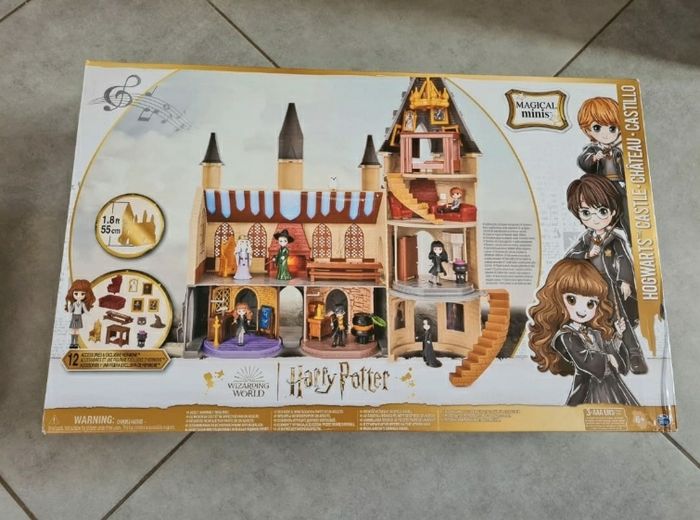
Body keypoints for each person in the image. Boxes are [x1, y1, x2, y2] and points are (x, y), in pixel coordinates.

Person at [565, 174, 647, 374]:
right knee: (596, 321)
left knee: (620, 319)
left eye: (601, 211)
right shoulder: (586, 239)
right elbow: (569, 257)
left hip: (610, 286)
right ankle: (605, 355)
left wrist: (625, 281)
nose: (594, 219)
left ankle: (634, 354)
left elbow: (624, 259)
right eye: (586, 212)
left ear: (613, 211)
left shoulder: (614, 239)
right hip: (590, 288)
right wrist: (587, 254)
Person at [528, 259, 639, 406]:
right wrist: (608, 358)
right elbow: (585, 360)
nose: (582, 310)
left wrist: (618, 335)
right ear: (556, 298)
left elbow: (607, 348)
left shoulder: (593, 332)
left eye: (590, 303)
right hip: (588, 389)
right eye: (572, 300)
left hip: (611, 384)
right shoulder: (566, 335)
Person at [576, 96, 630, 234]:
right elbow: (583, 161)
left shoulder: (617, 151)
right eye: (597, 128)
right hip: (602, 186)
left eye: (612, 128)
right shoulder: (592, 149)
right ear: (587, 130)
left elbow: (624, 169)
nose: (606, 134)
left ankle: (628, 232)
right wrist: (594, 158)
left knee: (625, 207)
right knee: (602, 209)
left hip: (617, 184)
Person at [64, 279, 96, 349]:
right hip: (74, 316)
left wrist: (91, 314)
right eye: (76, 294)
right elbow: (70, 311)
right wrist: (69, 305)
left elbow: (85, 310)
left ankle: (76, 343)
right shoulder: (74, 304)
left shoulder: (82, 304)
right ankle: (72, 343)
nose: (79, 296)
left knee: (77, 331)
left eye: (82, 294)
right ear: (72, 293)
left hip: (79, 317)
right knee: (73, 330)